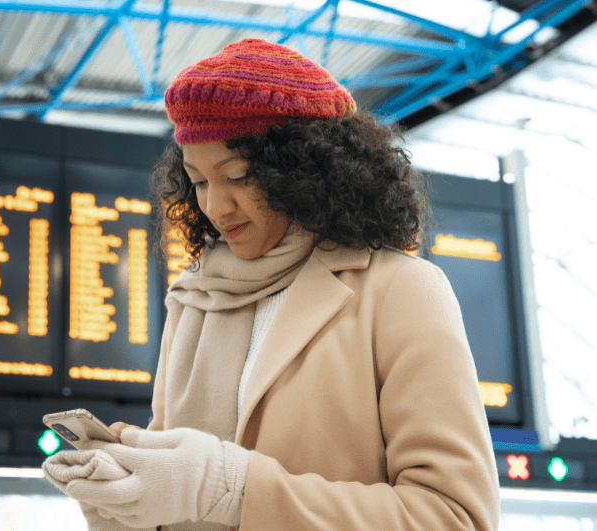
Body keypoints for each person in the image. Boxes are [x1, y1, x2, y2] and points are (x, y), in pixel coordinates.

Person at [44, 37, 500, 531]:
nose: (214, 207)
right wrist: (122, 502)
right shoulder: (194, 299)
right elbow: (179, 505)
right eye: (198, 181)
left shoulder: (403, 292)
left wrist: (233, 489)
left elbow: (455, 517)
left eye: (237, 175)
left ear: (306, 169)